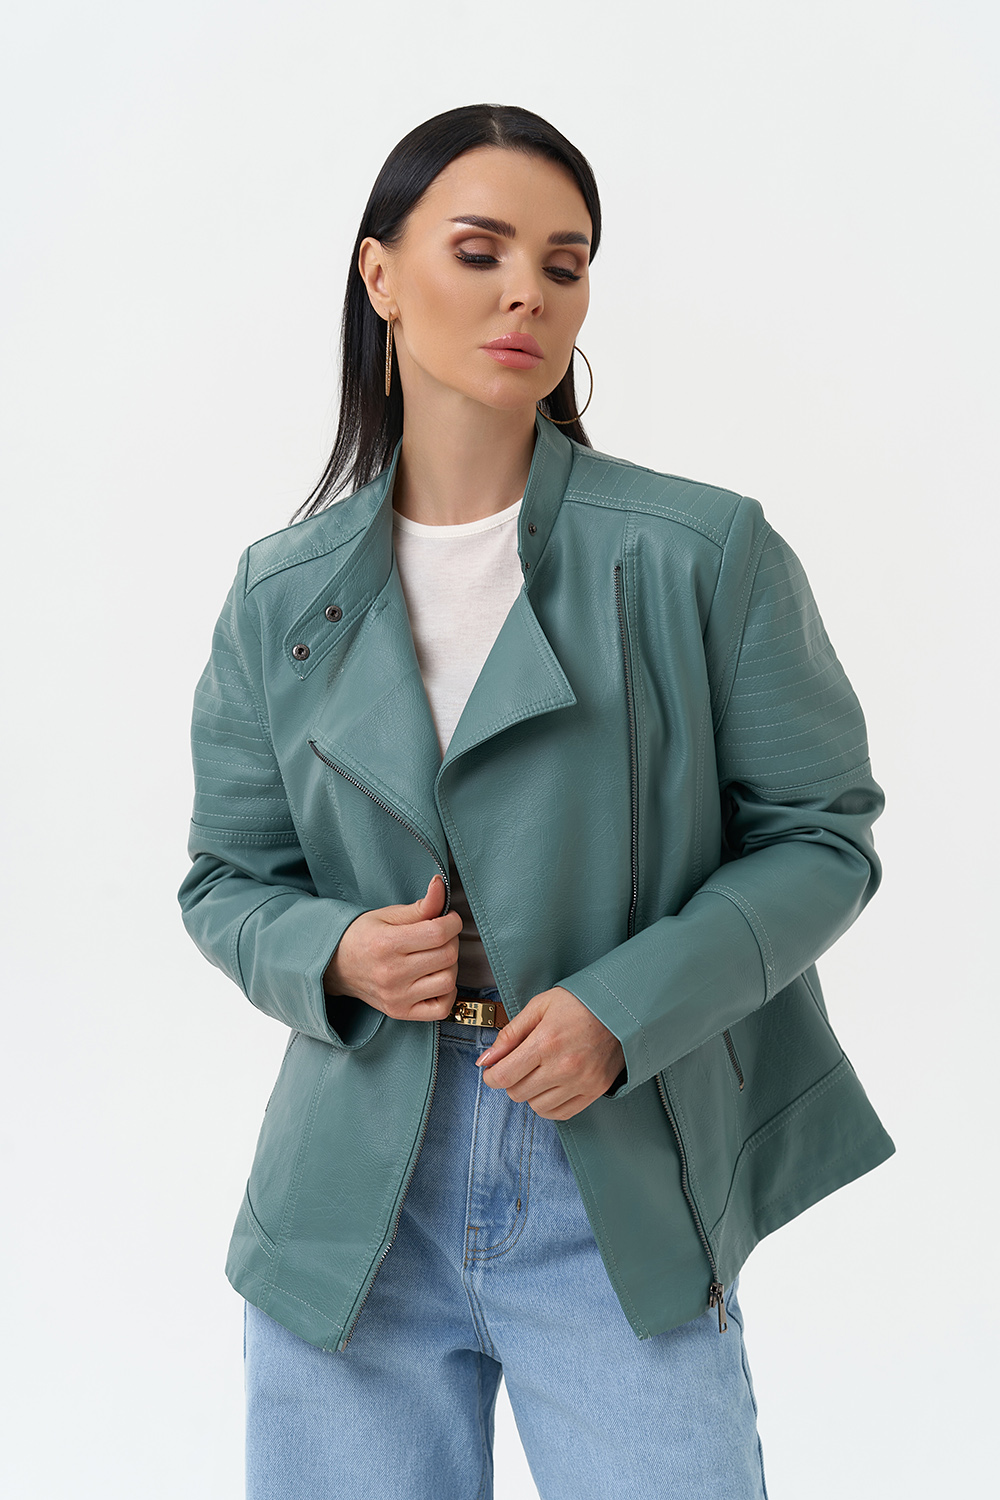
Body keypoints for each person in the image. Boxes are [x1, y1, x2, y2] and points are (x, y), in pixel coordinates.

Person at [178, 103, 895, 1500]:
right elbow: (225, 877)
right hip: (349, 1198)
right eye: (480, 250)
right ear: (380, 274)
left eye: (564, 265)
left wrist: (625, 1009)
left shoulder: (702, 552)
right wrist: (335, 949)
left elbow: (821, 836)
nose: (529, 293)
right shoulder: (281, 592)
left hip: (614, 1166)